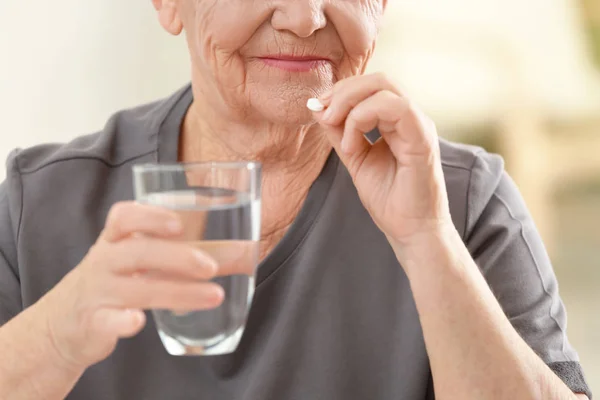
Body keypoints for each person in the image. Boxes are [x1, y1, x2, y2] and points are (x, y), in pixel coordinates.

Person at [0, 1, 592, 399]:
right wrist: (56, 337)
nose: (306, 17)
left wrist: (428, 242)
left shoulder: (462, 202)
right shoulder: (41, 204)